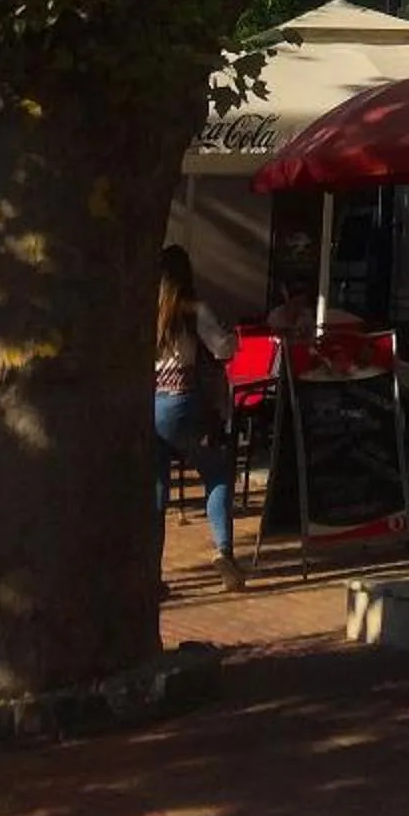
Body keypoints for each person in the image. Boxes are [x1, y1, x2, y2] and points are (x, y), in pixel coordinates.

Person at [154, 242, 246, 591]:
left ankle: (155, 573)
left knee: (156, 490)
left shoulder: (144, 312)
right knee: (217, 471)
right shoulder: (194, 310)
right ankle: (223, 551)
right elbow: (223, 348)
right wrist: (232, 337)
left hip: (151, 405)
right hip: (183, 403)